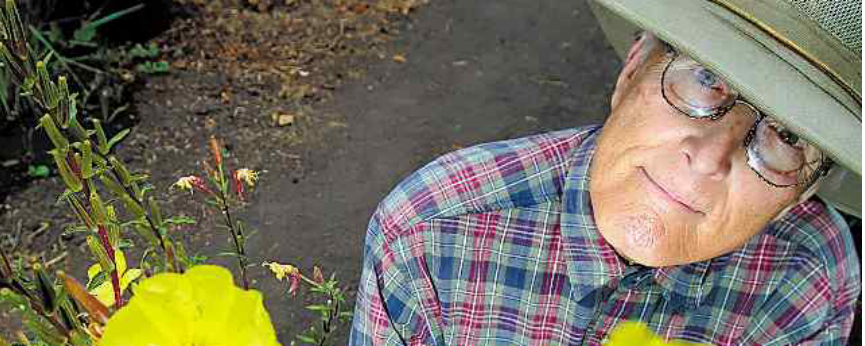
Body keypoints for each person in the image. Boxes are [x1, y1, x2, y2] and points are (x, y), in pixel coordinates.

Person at [348, 0, 861, 344]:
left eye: (789, 137)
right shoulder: (430, 235)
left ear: (805, 190)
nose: (708, 158)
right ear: (633, 67)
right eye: (707, 80)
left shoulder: (810, 274)